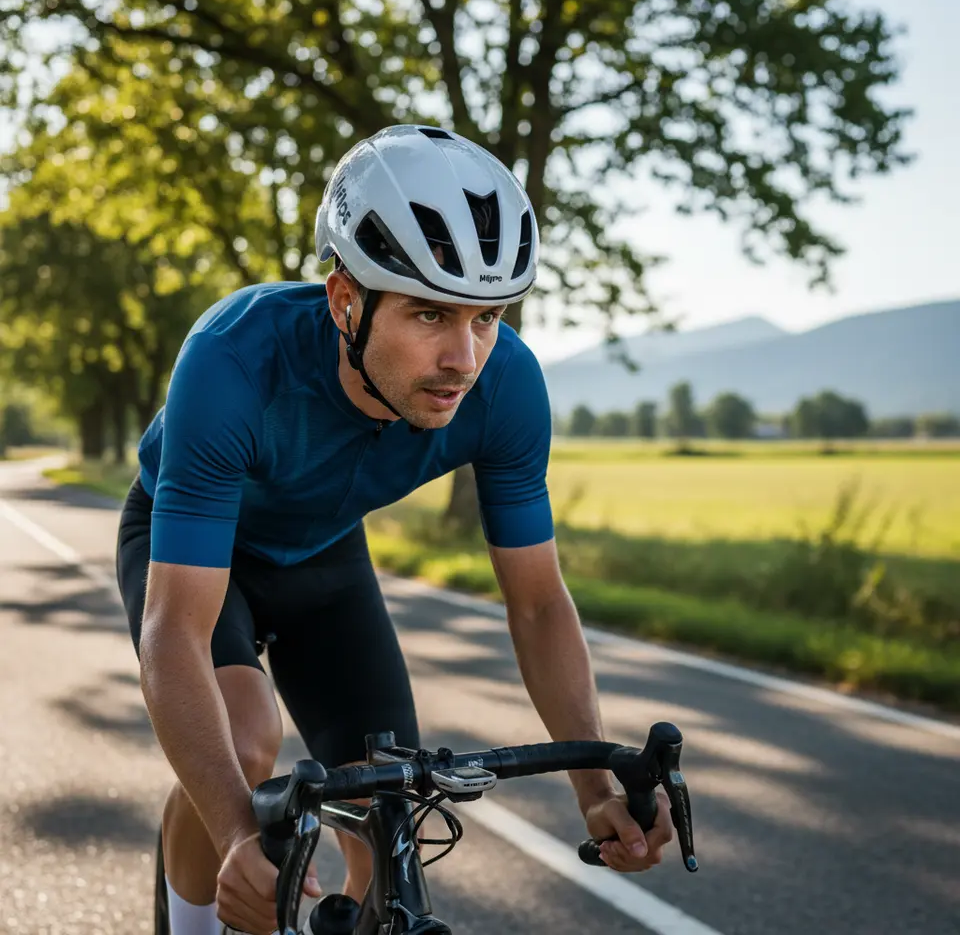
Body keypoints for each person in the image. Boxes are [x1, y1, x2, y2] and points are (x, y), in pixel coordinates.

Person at [115, 125, 674, 935]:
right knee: (244, 743)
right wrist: (241, 831)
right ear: (346, 300)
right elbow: (174, 632)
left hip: (325, 552)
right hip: (200, 545)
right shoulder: (233, 361)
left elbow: (540, 606)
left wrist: (595, 788)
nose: (463, 357)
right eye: (428, 314)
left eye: (487, 316)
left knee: (388, 805)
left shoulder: (506, 385)